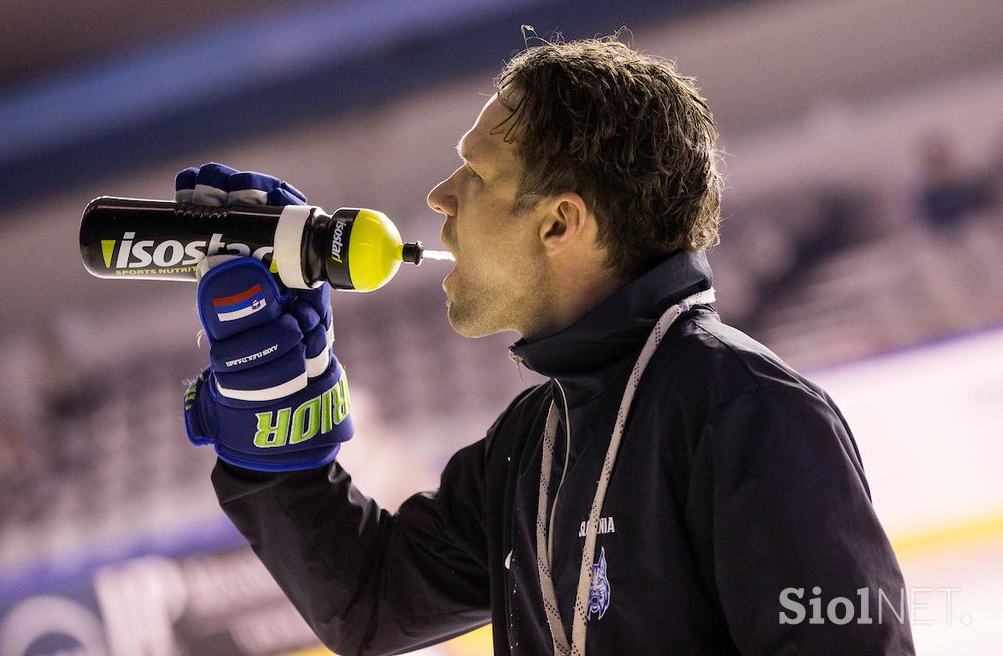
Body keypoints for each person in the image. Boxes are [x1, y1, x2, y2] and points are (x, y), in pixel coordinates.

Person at [181, 38, 915, 655]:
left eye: (478, 172)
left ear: (560, 224)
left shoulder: (749, 413)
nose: (440, 196)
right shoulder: (530, 444)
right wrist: (272, 439)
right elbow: (370, 601)